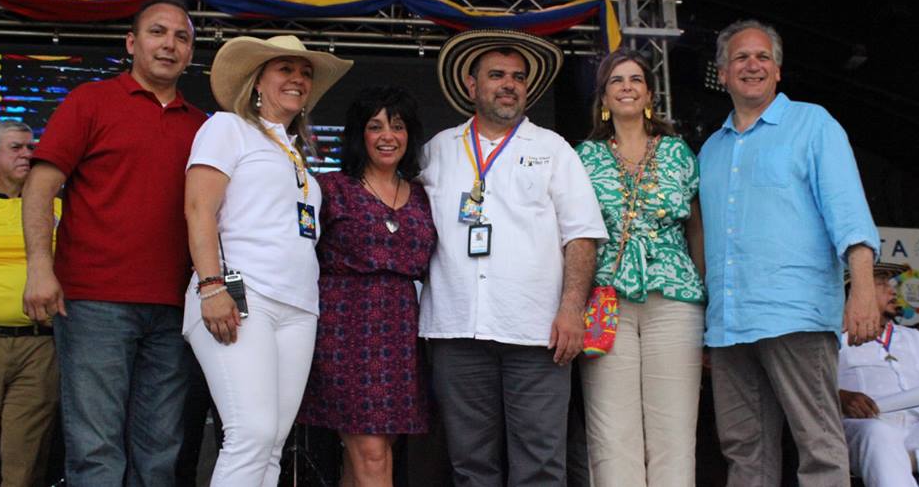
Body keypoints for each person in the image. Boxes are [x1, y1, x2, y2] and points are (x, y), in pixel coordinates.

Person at [21, 0, 206, 485]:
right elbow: (40, 186)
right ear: (131, 42)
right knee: (95, 450)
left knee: (161, 453)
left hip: (175, 308)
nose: (169, 45)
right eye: (157, 32)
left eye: (182, 37)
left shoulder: (204, 125)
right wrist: (39, 267)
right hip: (93, 303)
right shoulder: (90, 100)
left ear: (191, 53)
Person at [418, 28, 608, 486]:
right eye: (497, 75)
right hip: (456, 330)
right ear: (471, 85)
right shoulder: (438, 150)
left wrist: (572, 309)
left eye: (518, 77)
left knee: (540, 463)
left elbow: (582, 236)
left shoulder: (553, 149)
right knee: (470, 465)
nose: (509, 84)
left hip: (537, 332)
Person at [698, 19, 881, 486]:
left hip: (796, 315)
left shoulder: (813, 123)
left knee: (818, 445)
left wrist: (862, 290)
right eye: (741, 57)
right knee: (744, 450)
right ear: (722, 73)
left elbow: (849, 212)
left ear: (778, 71)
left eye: (763, 57)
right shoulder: (711, 150)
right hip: (730, 324)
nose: (753, 65)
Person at [184, 34, 351, 486]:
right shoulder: (228, 127)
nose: (297, 79)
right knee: (251, 435)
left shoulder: (293, 150)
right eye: (285, 69)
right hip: (242, 294)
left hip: (298, 306)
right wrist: (212, 286)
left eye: (305, 73)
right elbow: (199, 208)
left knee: (273, 443)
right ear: (257, 80)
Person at [576, 49, 705, 486]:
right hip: (605, 302)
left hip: (675, 300)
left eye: (635, 79)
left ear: (650, 94)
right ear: (603, 98)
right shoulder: (584, 157)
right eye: (616, 80)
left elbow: (696, 229)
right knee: (612, 436)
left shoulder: (677, 152)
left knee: (674, 433)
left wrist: (706, 291)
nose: (627, 87)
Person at [298, 85, 436, 486]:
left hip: (401, 333)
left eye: (397, 126)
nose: (387, 136)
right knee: (372, 453)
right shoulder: (331, 189)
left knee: (373, 451)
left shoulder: (423, 196)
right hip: (344, 330)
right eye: (375, 126)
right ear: (360, 134)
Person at [839, 262, 919, 486]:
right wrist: (840, 396)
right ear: (856, 292)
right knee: (879, 432)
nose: (892, 290)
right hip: (866, 425)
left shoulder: (914, 338)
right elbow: (809, 386)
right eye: (881, 284)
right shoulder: (833, 338)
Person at [0, 121, 61, 487]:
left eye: (31, 148)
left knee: (24, 463)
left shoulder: (58, 208)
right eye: (16, 148)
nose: (27, 155)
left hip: (40, 344)